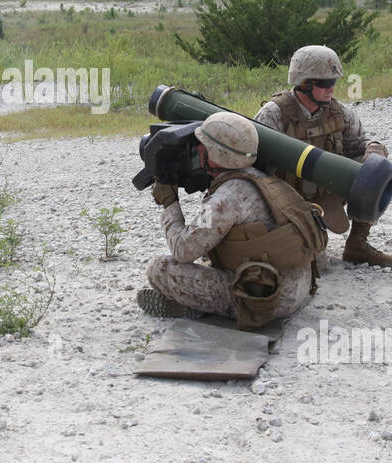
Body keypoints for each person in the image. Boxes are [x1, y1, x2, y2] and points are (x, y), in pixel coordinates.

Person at [138, 111, 328, 329]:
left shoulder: (225, 199)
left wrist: (169, 202)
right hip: (299, 284)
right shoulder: (261, 177)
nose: (197, 148)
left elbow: (183, 250)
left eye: (203, 145)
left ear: (215, 155)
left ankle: (199, 308)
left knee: (159, 268)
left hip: (268, 298)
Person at [254, 45, 392, 270]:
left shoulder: (338, 112)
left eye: (334, 82)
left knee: (375, 171)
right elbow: (253, 161)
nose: (331, 89)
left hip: (326, 192)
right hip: (286, 199)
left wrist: (375, 150)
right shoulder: (275, 113)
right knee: (316, 265)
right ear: (304, 83)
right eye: (324, 83)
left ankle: (357, 245)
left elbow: (359, 141)